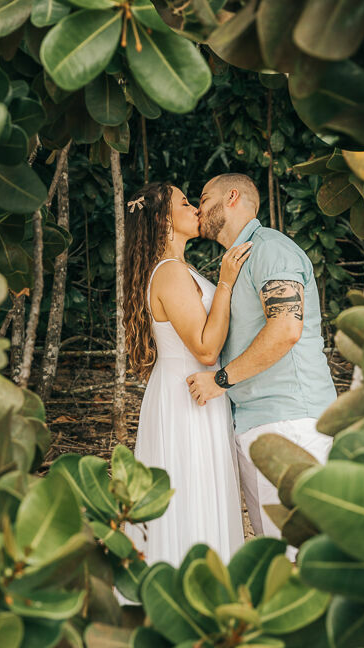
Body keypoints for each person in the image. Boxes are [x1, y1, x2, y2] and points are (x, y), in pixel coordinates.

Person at [186, 174, 336, 546]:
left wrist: (219, 381)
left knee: (299, 552)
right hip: (259, 422)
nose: (198, 209)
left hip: (289, 423)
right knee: (277, 549)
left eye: (203, 199)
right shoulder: (241, 258)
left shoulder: (270, 250)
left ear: (231, 197)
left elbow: (285, 329)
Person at [121, 181, 252, 567]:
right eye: (184, 203)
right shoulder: (170, 273)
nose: (196, 208)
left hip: (198, 393)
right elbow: (206, 348)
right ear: (164, 220)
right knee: (189, 490)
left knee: (200, 490)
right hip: (187, 398)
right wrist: (225, 281)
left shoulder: (180, 269)